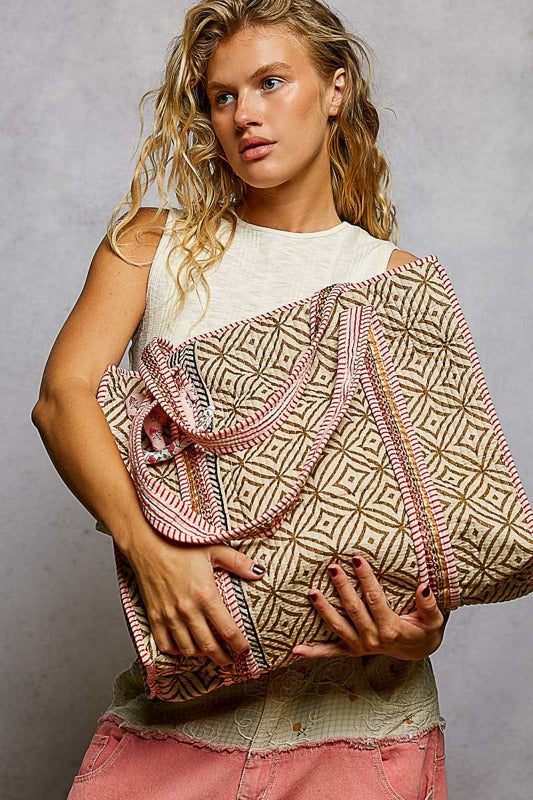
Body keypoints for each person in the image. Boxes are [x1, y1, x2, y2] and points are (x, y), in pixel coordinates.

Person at [32, 2, 451, 798]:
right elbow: (62, 399)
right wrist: (152, 554)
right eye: (221, 96)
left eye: (268, 83)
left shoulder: (393, 279)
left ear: (336, 89)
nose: (243, 115)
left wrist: (418, 633)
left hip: (363, 735)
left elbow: (418, 514)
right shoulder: (154, 245)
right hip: (183, 723)